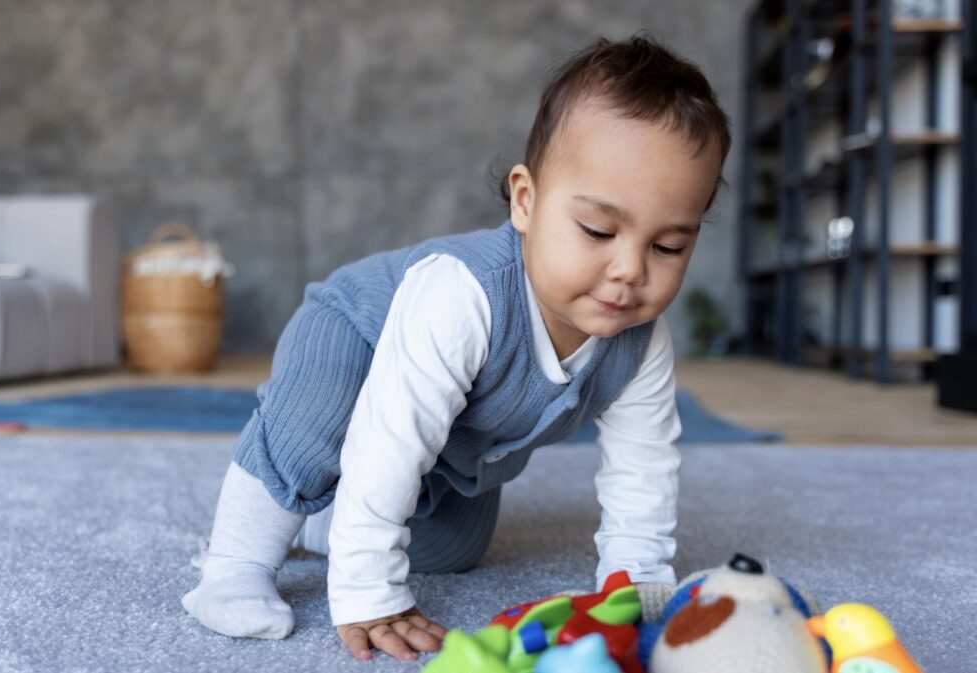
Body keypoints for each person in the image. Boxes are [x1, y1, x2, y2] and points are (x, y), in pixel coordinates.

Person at [181, 32, 731, 662]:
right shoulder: (462, 293)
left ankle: (327, 521)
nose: (630, 269)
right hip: (355, 338)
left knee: (453, 550)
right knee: (315, 435)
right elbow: (395, 436)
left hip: (462, 442)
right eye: (598, 230)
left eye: (668, 247)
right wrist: (368, 590)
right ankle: (233, 564)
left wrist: (637, 589)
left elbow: (645, 467)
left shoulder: (639, 341)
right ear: (526, 201)